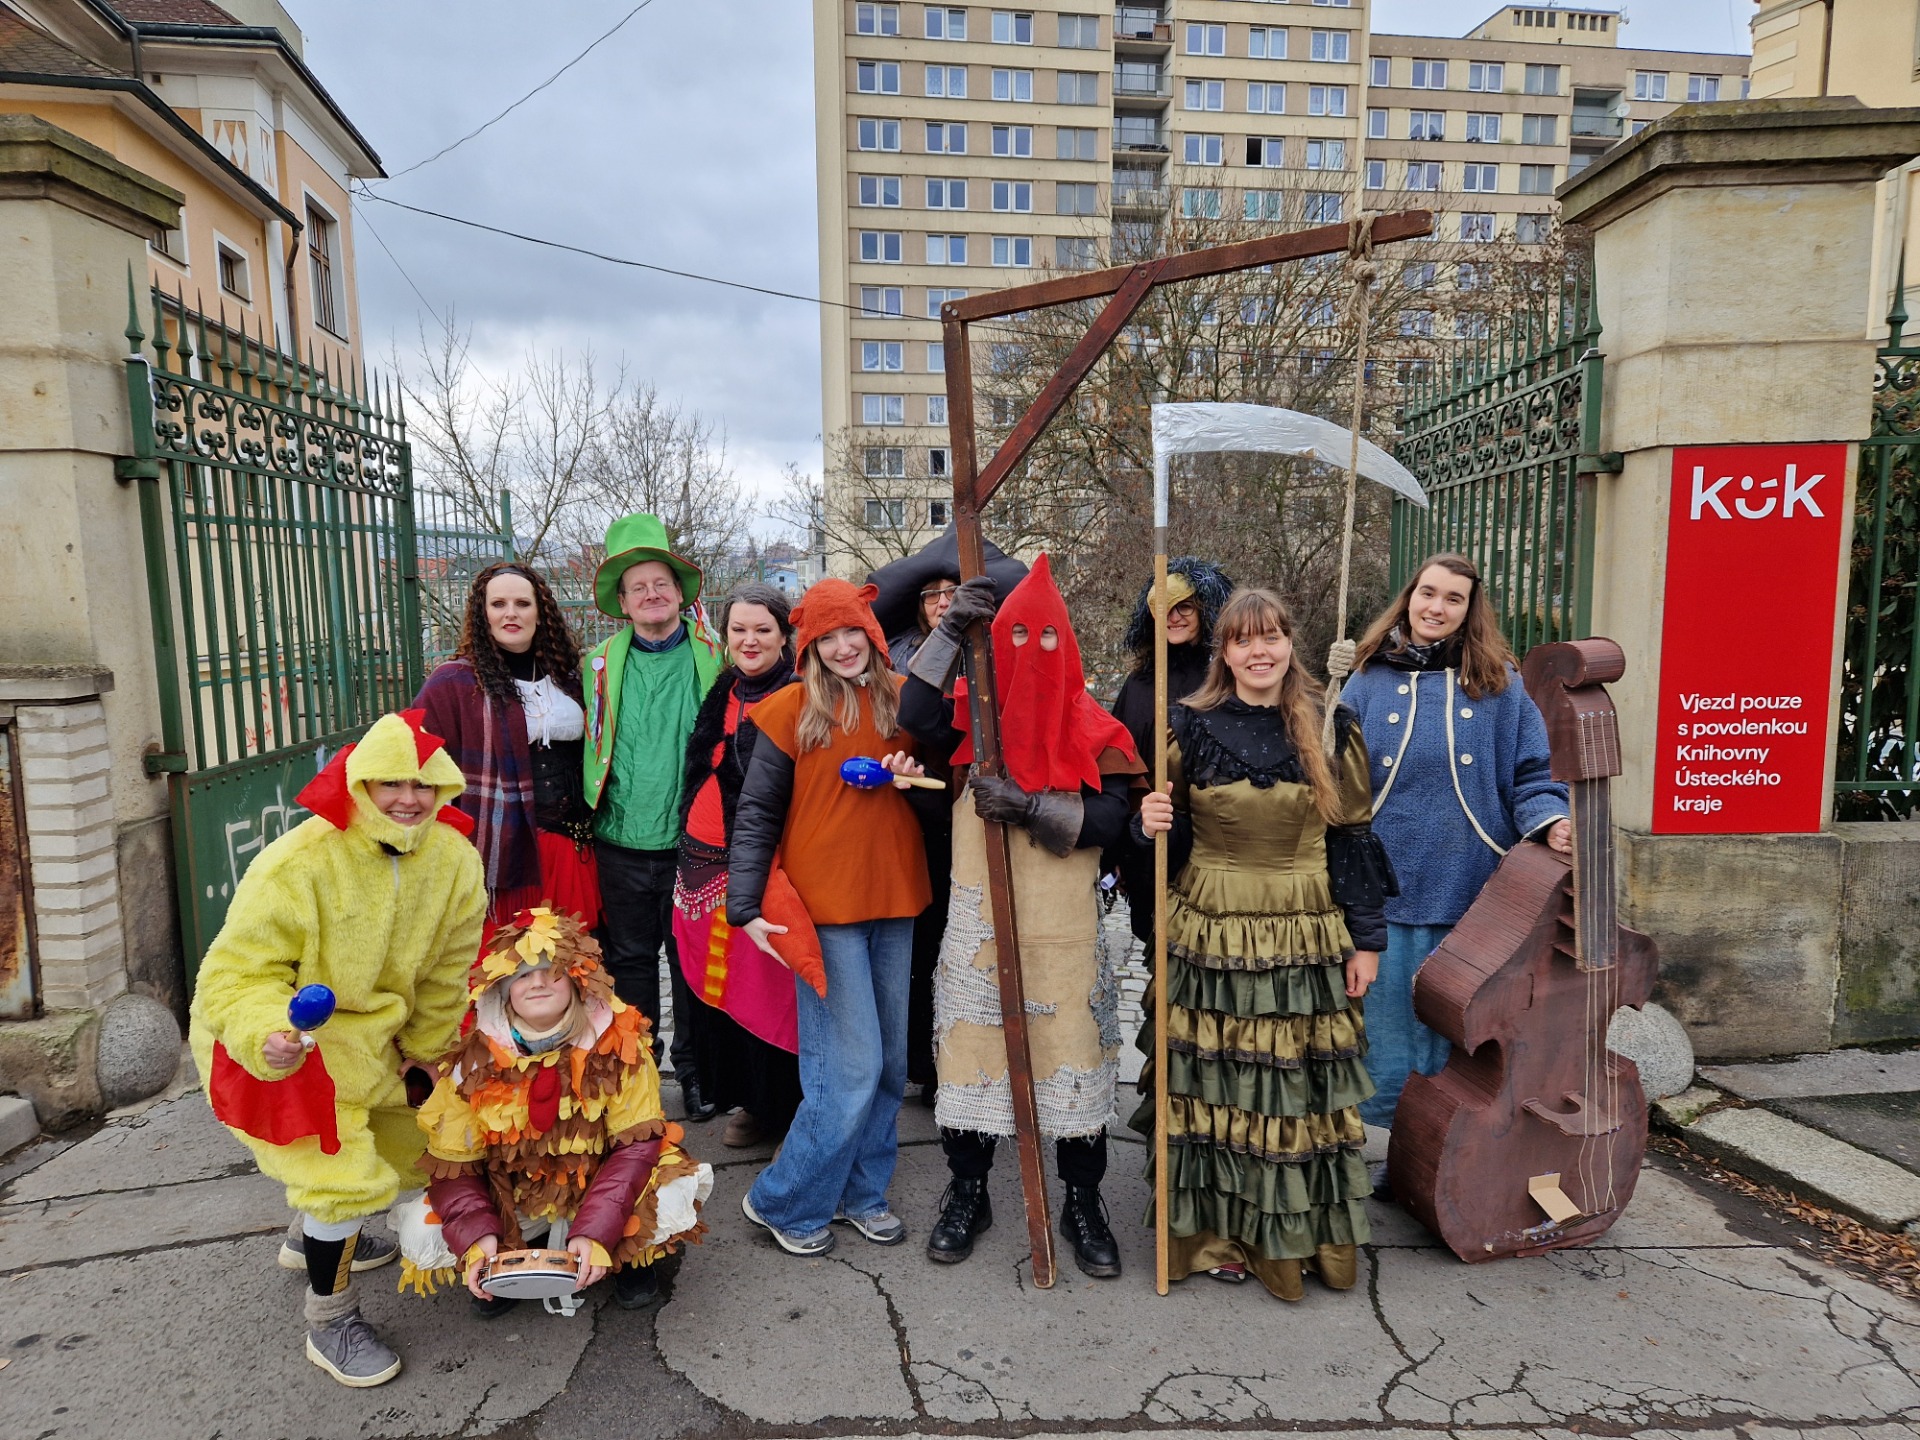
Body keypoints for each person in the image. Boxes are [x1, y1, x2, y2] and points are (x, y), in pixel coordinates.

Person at [189, 710, 486, 1387]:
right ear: (359, 783)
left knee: (414, 1152)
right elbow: (235, 973)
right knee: (344, 1184)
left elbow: (447, 972)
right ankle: (331, 1319)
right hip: (290, 1042)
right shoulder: (300, 860)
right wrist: (268, 1032)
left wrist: (431, 1052)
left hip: (379, 1042)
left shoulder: (455, 860)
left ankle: (309, 1238)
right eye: (389, 783)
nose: (407, 798)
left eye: (421, 783)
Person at [1135, 589, 1391, 1301]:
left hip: (1306, 929)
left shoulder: (1333, 724)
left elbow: (1353, 838)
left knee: (1290, 1091)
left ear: (1289, 643)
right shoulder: (1187, 725)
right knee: (1212, 1088)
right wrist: (1149, 821)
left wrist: (1365, 941)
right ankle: (1215, 1237)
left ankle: (1289, 1240)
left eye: (1272, 636)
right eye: (1244, 640)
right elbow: (1167, 846)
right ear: (1223, 651)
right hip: (1209, 930)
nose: (1260, 651)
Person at [898, 555, 1142, 1277]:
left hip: (1066, 936)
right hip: (980, 930)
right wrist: (950, 631)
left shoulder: (1095, 725)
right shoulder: (972, 720)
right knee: (973, 1059)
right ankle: (969, 1189)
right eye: (1015, 637)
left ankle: (1082, 1201)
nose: (1029, 651)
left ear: (1064, 642)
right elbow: (911, 714)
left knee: (1071, 1061)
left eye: (1044, 638)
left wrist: (1032, 806)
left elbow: (1114, 818)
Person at [725, 578, 930, 1256]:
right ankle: (785, 1199)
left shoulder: (904, 700)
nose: (844, 647)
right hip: (826, 909)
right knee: (847, 1067)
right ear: (810, 645)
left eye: (855, 633)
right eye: (829, 636)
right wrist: (745, 903)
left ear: (872, 634)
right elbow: (755, 813)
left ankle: (861, 1193)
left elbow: (941, 789)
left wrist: (910, 775)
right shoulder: (790, 708)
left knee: (890, 1065)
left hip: (896, 897)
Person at [1340, 553, 1570, 1147]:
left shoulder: (1499, 682)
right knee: (1385, 1030)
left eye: (1452, 599)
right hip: (1382, 889)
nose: (1436, 608)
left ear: (1470, 611)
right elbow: (1329, 774)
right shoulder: (1368, 677)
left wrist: (1551, 821)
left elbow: (1532, 774)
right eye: (1428, 594)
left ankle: (1435, 1151)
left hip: (1469, 885)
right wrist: (1327, 696)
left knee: (1451, 1029)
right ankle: (1394, 1144)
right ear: (1409, 598)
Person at [409, 908, 709, 1317]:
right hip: (520, 1191)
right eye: (521, 975)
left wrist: (598, 1232)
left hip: (601, 1183)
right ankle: (510, 1260)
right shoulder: (472, 1063)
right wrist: (478, 1237)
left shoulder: (619, 1044)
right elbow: (455, 1166)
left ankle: (626, 1257)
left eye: (549, 970)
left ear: (575, 980)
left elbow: (634, 1151)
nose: (534, 981)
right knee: (422, 1227)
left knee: (671, 1190)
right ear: (504, 991)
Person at [869, 530, 1028, 1104]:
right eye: (932, 593)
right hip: (899, 813)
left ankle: (978, 1060)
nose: (943, 601)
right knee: (916, 944)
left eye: (953, 591)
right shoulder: (894, 658)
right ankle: (922, 1062)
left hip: (968, 809)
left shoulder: (991, 651)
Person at [584, 513, 726, 1122]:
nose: (651, 594)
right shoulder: (596, 664)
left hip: (692, 841)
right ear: (622, 601)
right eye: (637, 586)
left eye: (660, 583)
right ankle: (639, 1071)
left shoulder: (713, 657)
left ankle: (697, 1075)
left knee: (693, 964)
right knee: (631, 964)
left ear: (678, 591)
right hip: (619, 840)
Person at [672, 582, 806, 1149]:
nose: (749, 640)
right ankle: (746, 1100)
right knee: (716, 993)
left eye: (762, 630)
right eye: (739, 630)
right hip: (700, 864)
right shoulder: (724, 686)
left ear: (784, 636)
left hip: (761, 864)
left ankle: (782, 1107)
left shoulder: (800, 693)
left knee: (768, 993)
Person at [414, 561, 597, 927]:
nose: (511, 614)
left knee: (575, 964)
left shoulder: (570, 678)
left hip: (572, 844)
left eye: (522, 604)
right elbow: (415, 763)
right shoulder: (452, 684)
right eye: (498, 605)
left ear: (540, 612)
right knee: (506, 964)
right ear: (483, 614)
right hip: (502, 849)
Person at [1107, 558, 1236, 949]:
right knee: (1156, 944)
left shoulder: (1226, 677)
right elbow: (1119, 759)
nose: (1174, 617)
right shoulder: (1139, 682)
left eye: (1185, 607)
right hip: (1150, 834)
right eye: (1164, 609)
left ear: (1206, 610)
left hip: (1211, 838)